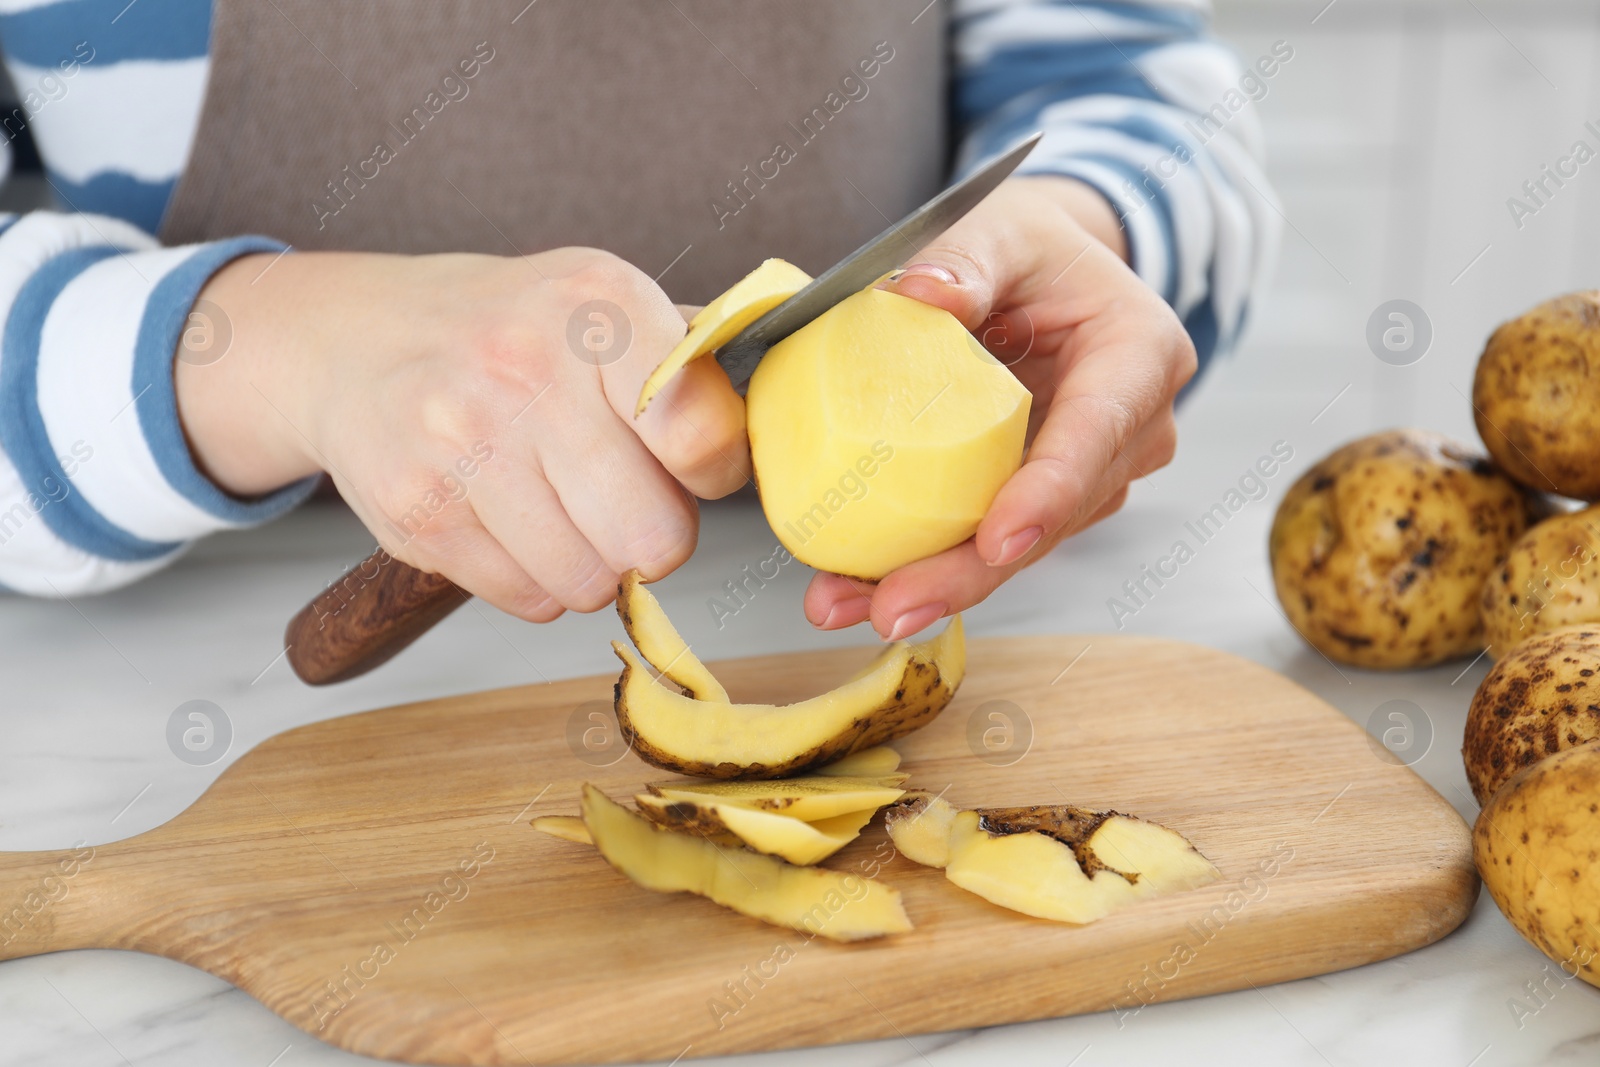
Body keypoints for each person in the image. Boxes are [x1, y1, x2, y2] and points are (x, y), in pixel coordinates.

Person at [0, 0, 1276, 642]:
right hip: (178, 640)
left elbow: (1138, 94)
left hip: (830, 629)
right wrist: (276, 350)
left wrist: (1089, 225)